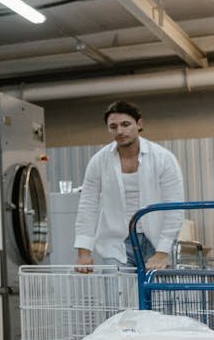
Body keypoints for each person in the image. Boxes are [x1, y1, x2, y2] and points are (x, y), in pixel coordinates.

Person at [74, 100, 184, 273]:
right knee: (115, 297)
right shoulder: (99, 161)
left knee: (156, 299)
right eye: (113, 126)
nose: (120, 131)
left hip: (156, 240)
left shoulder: (163, 159)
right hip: (116, 241)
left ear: (139, 124)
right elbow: (87, 205)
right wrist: (83, 252)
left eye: (125, 124)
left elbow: (175, 207)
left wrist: (162, 252)